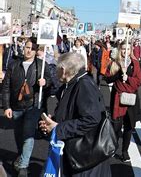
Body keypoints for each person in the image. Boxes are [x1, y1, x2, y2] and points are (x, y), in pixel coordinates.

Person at [39, 52, 112, 176]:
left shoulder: (83, 85)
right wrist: (51, 123)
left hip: (86, 159)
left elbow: (91, 119)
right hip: (77, 156)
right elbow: (71, 113)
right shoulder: (72, 84)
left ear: (63, 70)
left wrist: (59, 127)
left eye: (56, 67)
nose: (55, 71)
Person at [2, 38, 51, 176]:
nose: (28, 50)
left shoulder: (41, 66)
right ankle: (21, 156)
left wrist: (45, 82)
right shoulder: (14, 65)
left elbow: (51, 84)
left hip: (33, 106)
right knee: (18, 135)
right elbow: (6, 87)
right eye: (27, 47)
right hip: (16, 106)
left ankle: (23, 165)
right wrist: (6, 106)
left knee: (28, 134)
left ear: (37, 51)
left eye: (32, 48)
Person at [104, 41, 141, 163]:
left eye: (128, 49)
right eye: (124, 49)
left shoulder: (135, 64)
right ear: (120, 50)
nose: (126, 52)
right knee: (116, 126)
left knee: (129, 126)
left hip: (131, 98)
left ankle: (125, 151)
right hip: (118, 98)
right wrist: (119, 74)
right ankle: (113, 147)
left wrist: (128, 78)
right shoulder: (114, 63)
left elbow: (139, 81)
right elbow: (108, 79)